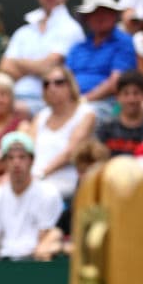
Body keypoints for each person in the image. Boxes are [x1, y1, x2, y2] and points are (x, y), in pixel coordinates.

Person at [0, 0, 85, 118]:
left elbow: (47, 67)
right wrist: (36, 67)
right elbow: (4, 67)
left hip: (45, 102)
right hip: (12, 97)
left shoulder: (71, 28)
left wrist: (18, 63)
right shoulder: (24, 31)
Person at [0, 132, 64, 260]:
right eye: (10, 158)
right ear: (3, 162)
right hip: (3, 263)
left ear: (32, 160)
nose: (16, 163)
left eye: (22, 157)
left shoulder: (48, 193)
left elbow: (44, 242)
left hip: (35, 262)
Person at [65, 0, 137, 123]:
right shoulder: (77, 48)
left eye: (105, 11)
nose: (100, 17)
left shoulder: (124, 42)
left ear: (114, 15)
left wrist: (84, 100)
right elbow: (65, 79)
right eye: (94, 13)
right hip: (72, 104)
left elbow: (115, 82)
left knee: (83, 117)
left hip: (107, 104)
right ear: (86, 18)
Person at [32, 137, 111, 260]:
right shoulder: (72, 212)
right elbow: (43, 248)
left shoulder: (115, 209)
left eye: (93, 170)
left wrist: (66, 248)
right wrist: (60, 247)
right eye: (82, 171)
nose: (87, 176)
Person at [29, 65, 97, 199]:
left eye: (58, 82)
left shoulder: (86, 114)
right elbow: (28, 149)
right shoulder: (40, 116)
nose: (52, 88)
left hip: (65, 181)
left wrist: (41, 174)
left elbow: (69, 153)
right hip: (33, 179)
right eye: (46, 84)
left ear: (70, 85)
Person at [96, 69, 143, 156]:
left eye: (136, 93)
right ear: (117, 97)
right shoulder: (106, 128)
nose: (131, 99)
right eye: (126, 94)